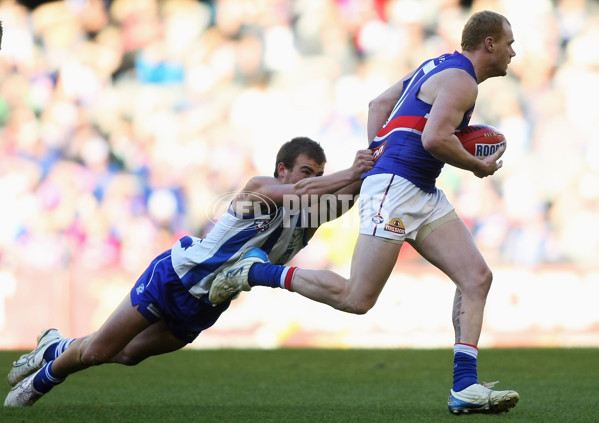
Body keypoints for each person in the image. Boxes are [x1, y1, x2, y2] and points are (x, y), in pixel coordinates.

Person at [209, 10, 519, 415]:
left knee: (477, 277)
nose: (514, 52)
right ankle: (255, 271)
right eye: (509, 43)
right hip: (395, 189)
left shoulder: (438, 66)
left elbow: (381, 102)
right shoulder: (462, 81)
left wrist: (378, 149)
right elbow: (434, 138)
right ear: (489, 44)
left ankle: (464, 387)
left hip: (418, 188)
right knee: (357, 298)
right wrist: (476, 165)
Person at [4, 137, 374, 407]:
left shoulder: (308, 221)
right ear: (283, 170)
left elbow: (344, 194)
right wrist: (352, 169)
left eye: (317, 174)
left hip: (207, 305)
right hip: (175, 276)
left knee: (129, 355)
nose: (313, 179)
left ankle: (55, 346)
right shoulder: (260, 189)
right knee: (99, 350)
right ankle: (40, 381)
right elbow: (313, 191)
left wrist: (375, 166)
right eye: (306, 171)